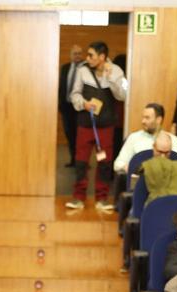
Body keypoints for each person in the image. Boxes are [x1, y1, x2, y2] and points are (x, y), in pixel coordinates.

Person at [68, 41, 128, 211]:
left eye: (91, 55)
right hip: (85, 125)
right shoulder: (82, 70)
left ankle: (101, 198)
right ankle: (78, 197)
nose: (88, 58)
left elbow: (124, 93)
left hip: (106, 126)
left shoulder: (117, 71)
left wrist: (111, 78)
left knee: (104, 162)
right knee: (81, 161)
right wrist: (83, 104)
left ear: (102, 57)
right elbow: (74, 94)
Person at [113, 102, 177, 178]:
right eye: (143, 117)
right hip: (138, 183)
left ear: (158, 120)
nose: (143, 121)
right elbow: (117, 164)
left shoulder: (172, 139)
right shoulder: (134, 138)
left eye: (147, 118)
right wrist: (127, 167)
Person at [137, 132, 177, 201]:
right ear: (154, 147)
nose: (163, 156)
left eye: (167, 153)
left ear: (171, 149)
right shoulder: (144, 166)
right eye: (159, 152)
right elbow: (137, 194)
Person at [59, 45, 86, 167]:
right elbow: (61, 87)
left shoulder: (86, 69)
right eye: (75, 53)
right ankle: (73, 160)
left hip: (80, 108)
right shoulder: (65, 68)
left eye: (79, 53)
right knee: (69, 135)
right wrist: (60, 105)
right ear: (70, 55)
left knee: (80, 137)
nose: (77, 56)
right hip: (67, 108)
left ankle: (82, 162)